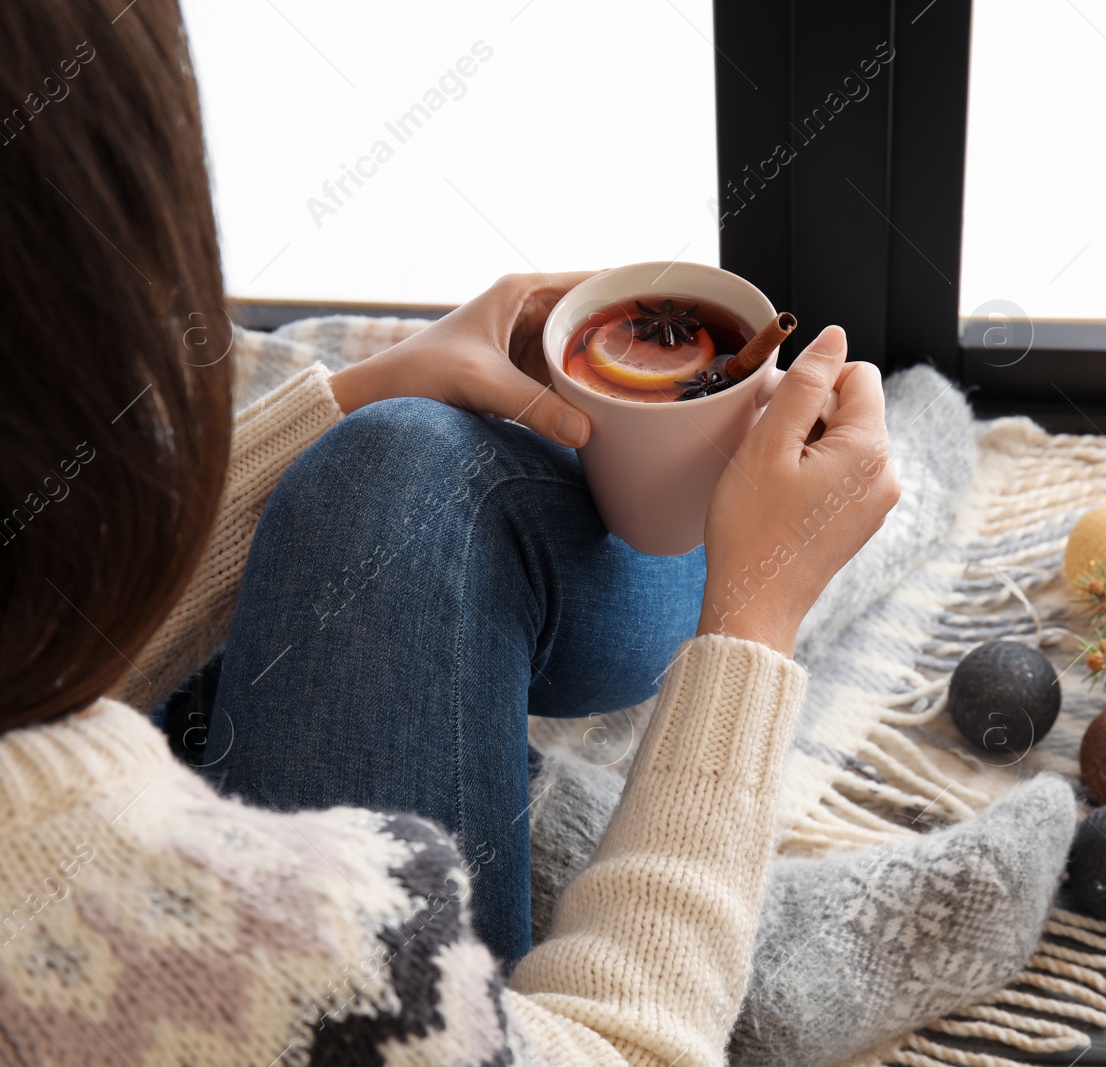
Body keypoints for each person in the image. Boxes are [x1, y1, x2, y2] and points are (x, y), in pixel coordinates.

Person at [0, 2, 898, 1063]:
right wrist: (755, 625)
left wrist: (362, 390)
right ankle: (742, 815)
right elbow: (630, 1050)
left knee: (406, 453)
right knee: (440, 475)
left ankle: (675, 615)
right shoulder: (213, 941)